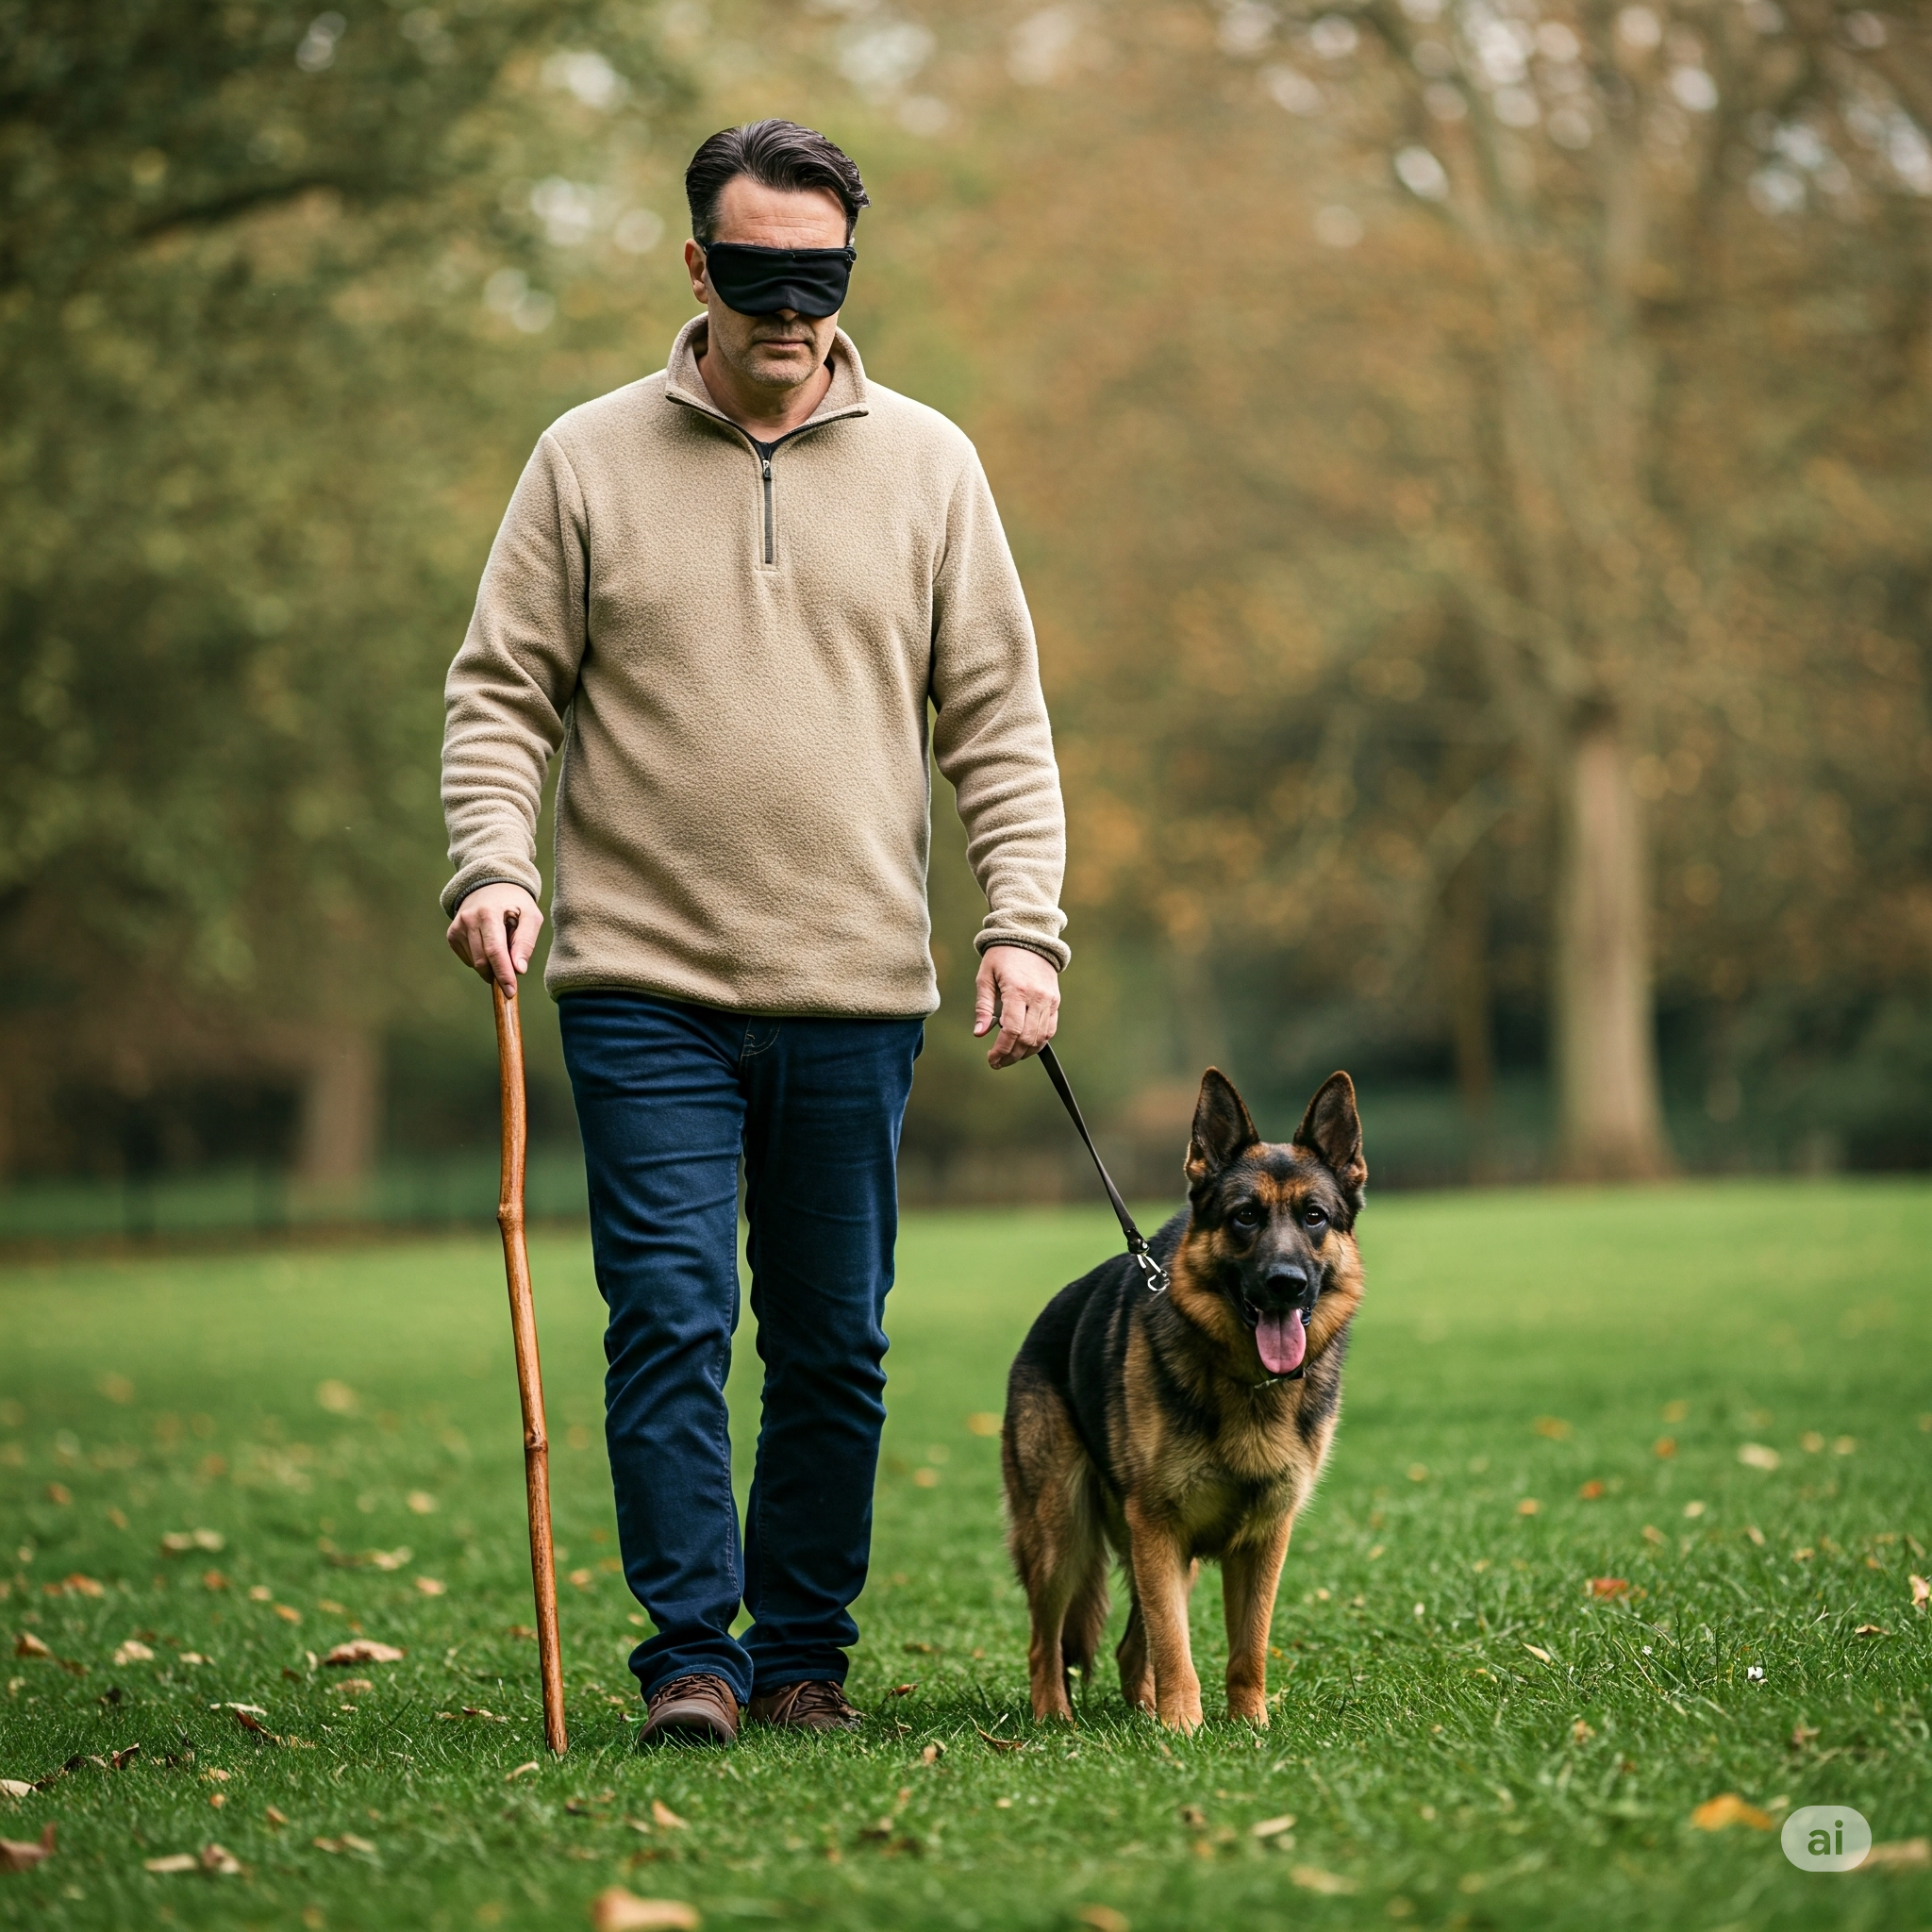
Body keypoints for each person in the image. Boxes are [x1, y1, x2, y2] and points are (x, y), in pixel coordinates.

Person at [440, 121, 1068, 1744]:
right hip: (641, 984)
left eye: (823, 276)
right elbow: (503, 694)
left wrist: (1025, 929)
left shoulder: (933, 466)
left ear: (850, 270)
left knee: (834, 1344)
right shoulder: (583, 461)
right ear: (698, 266)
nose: (790, 309)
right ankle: (692, 1664)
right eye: (758, 274)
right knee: (666, 1319)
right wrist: (491, 864)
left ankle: (800, 1658)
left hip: (856, 988)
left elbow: (998, 723)